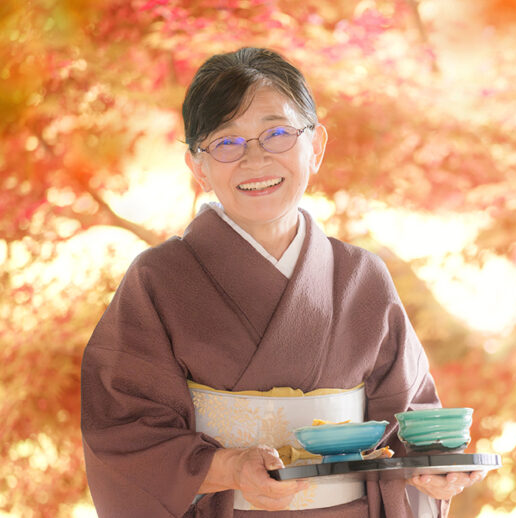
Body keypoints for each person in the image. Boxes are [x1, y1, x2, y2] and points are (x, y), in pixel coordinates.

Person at [80, 47, 484, 517]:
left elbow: (410, 419)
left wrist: (437, 465)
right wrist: (231, 468)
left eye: (276, 134)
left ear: (315, 147)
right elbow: (126, 435)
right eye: (227, 143)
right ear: (198, 167)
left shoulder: (362, 277)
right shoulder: (158, 281)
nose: (255, 160)